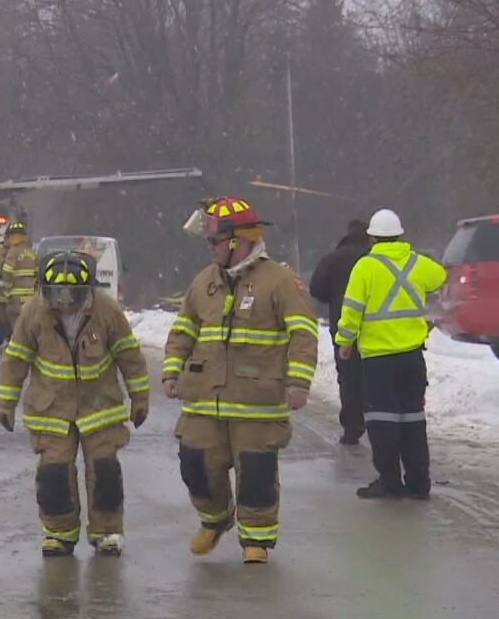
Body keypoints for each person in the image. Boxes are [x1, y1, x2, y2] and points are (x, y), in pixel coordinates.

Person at [163, 196, 319, 565]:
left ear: (238, 240)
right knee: (195, 463)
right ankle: (215, 520)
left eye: (215, 240)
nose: (210, 247)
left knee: (256, 474)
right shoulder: (204, 283)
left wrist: (299, 383)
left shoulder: (279, 282)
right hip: (204, 399)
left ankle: (257, 541)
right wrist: (172, 370)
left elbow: (303, 333)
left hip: (257, 402)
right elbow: (183, 330)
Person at [0, 251, 150, 558]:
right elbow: (16, 359)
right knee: (54, 475)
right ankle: (58, 534)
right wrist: (6, 402)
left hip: (99, 408)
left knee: (104, 472)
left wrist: (140, 397)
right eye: (58, 295)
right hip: (51, 411)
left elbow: (129, 355)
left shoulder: (106, 310)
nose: (65, 302)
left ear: (87, 290)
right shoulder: (33, 313)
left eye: (72, 295)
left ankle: (107, 532)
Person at [335, 209, 446, 500]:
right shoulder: (417, 262)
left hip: (378, 359)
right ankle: (419, 482)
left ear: (371, 238)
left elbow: (352, 311)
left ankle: (389, 480)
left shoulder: (365, 267)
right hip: (411, 356)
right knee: (413, 418)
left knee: (382, 420)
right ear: (400, 235)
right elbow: (439, 277)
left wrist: (344, 341)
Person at [309, 219, 371, 445]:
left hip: (343, 328)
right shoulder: (375, 258)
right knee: (374, 377)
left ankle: (352, 427)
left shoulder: (333, 259)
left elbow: (316, 290)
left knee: (348, 378)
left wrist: (335, 296)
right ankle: (377, 422)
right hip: (375, 329)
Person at [0, 221, 38, 330]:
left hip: (16, 303)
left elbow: (6, 275)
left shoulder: (12, 253)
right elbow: (38, 277)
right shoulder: (33, 254)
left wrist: (7, 294)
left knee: (17, 332)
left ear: (11, 237)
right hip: (32, 301)